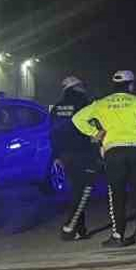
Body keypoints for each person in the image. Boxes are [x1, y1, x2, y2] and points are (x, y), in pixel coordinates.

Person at [71, 70, 136, 247]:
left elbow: (77, 119)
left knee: (117, 194)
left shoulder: (101, 103)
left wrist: (96, 133)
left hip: (113, 152)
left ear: (114, 85)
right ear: (131, 85)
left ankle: (118, 236)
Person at [52, 76, 102, 241]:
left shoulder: (57, 107)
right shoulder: (85, 104)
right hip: (83, 152)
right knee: (82, 191)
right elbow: (95, 127)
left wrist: (56, 155)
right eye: (81, 86)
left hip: (65, 154)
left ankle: (79, 229)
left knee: (76, 190)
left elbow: (53, 134)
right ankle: (70, 228)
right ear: (77, 87)